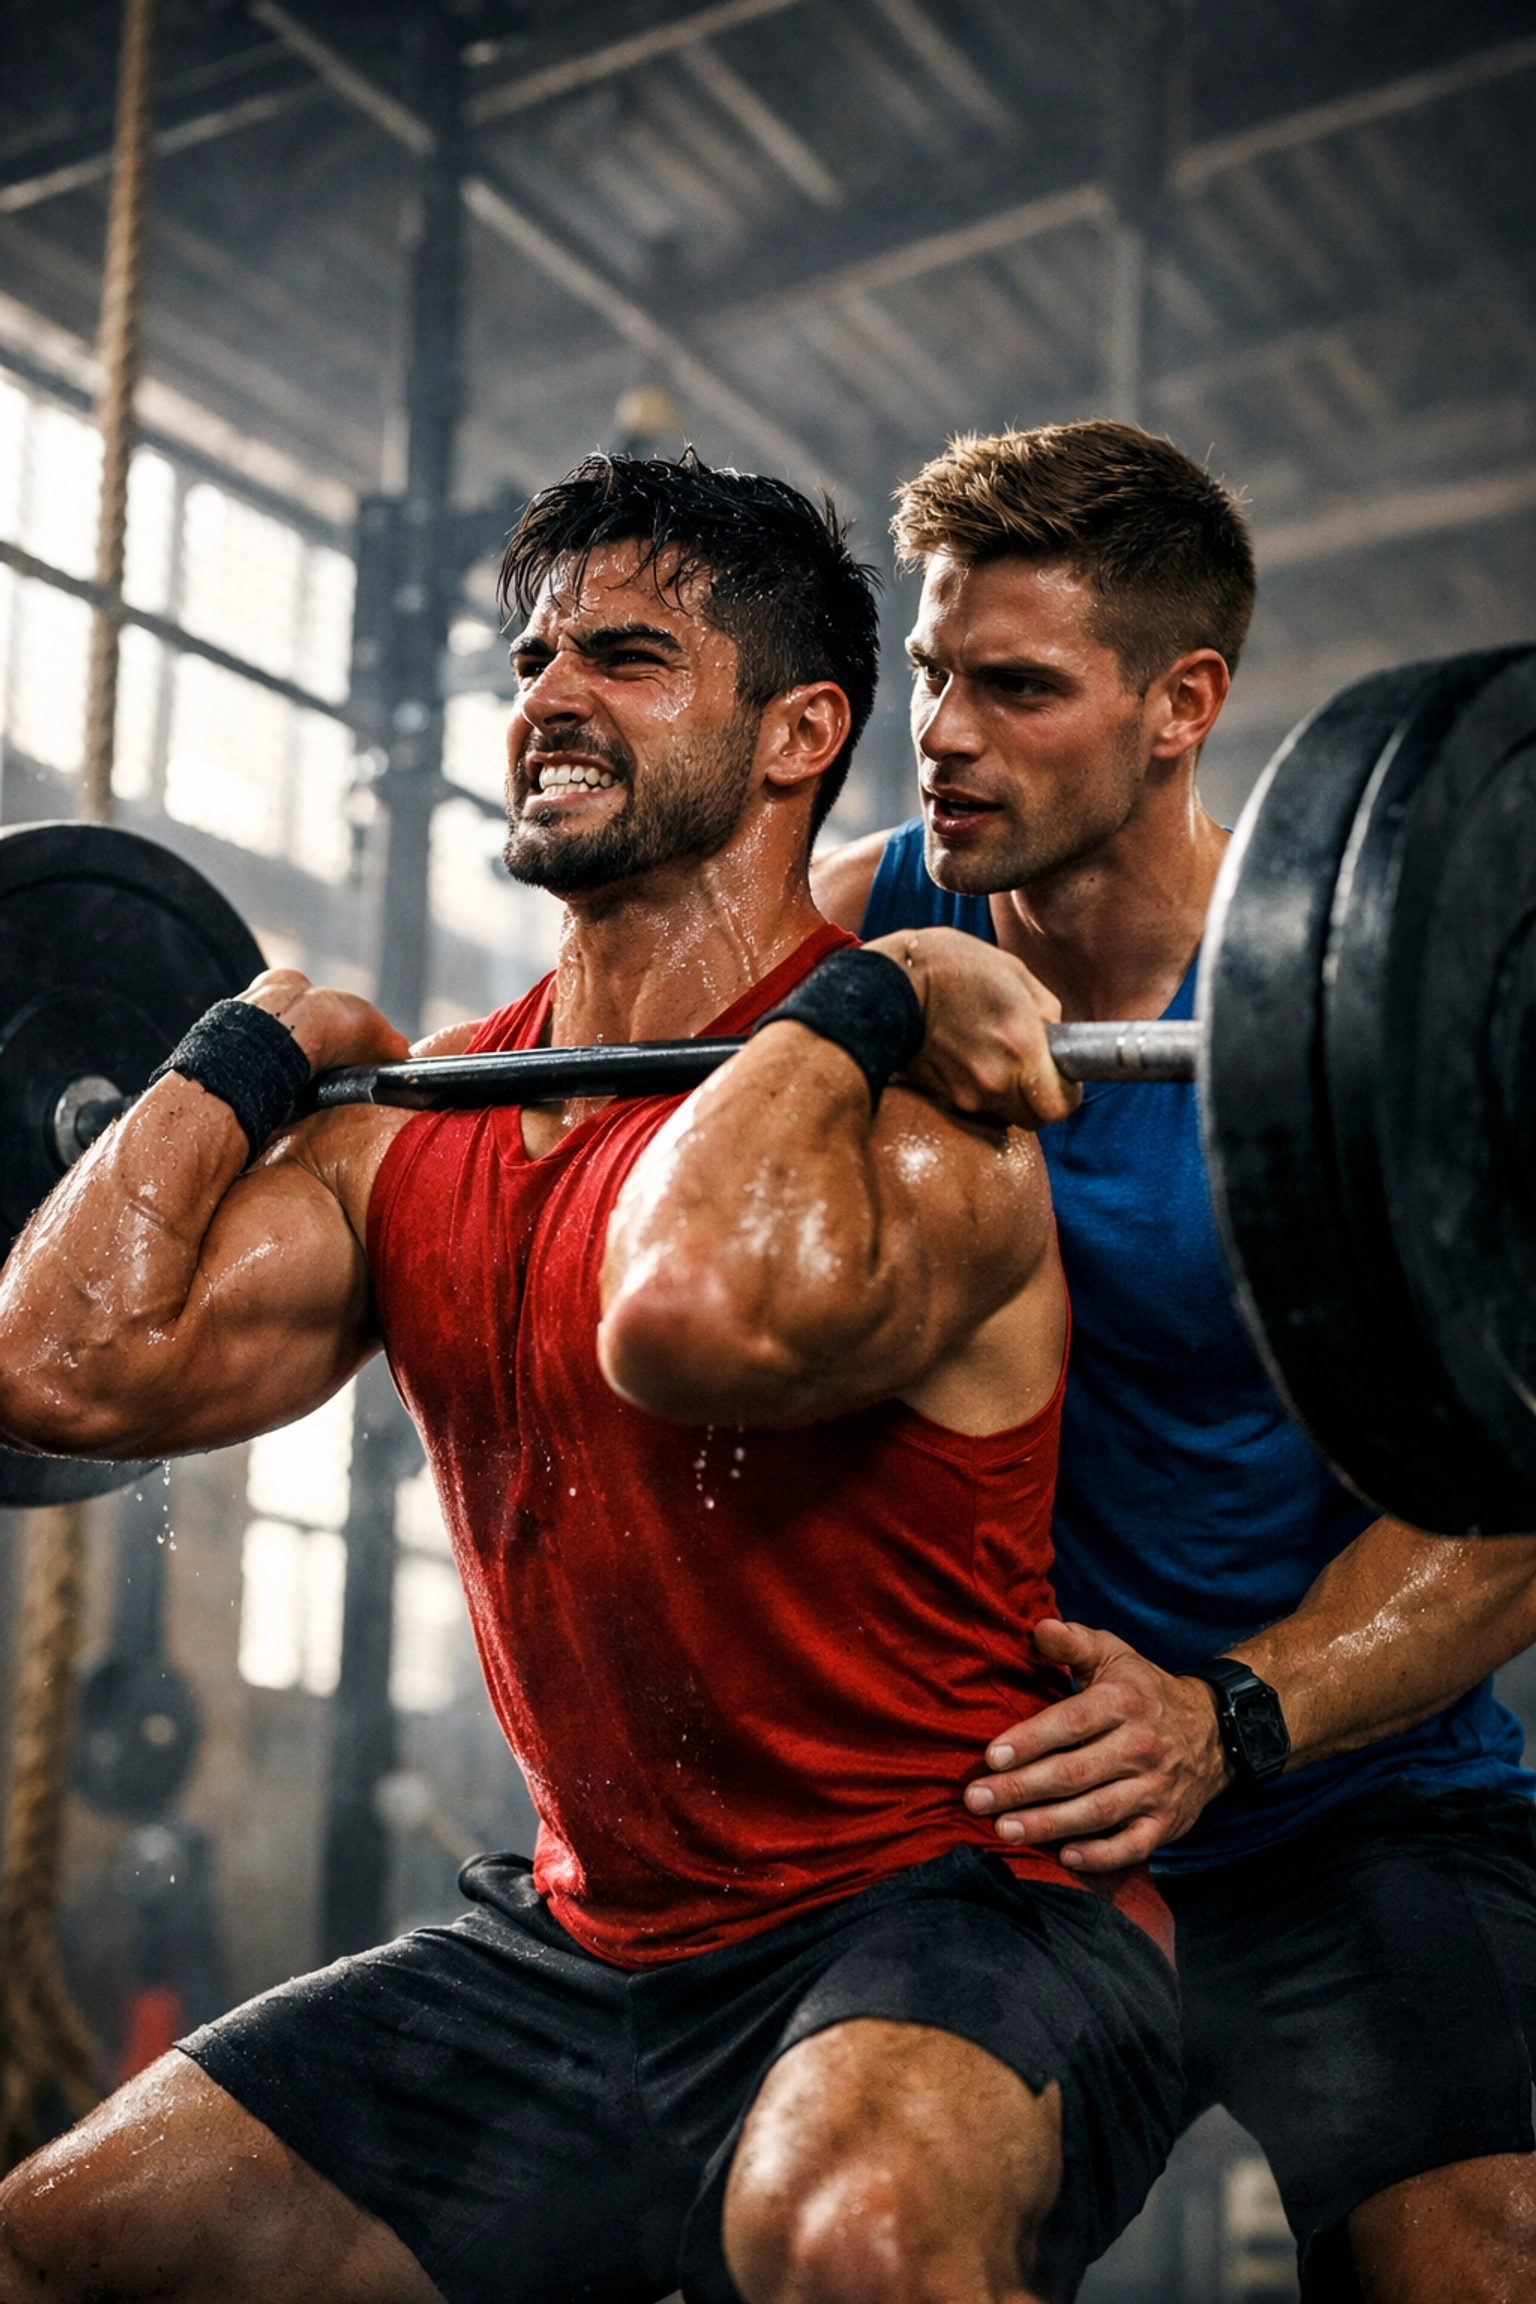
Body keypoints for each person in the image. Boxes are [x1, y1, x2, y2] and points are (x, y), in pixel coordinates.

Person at [0, 453, 1181, 2304]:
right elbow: (52, 1368)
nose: (547, 695)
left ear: (800, 736)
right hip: (587, 1948)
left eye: (627, 657)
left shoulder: (933, 1137)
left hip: (952, 1920)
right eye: (535, 656)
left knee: (856, 2235)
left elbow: (686, 1306)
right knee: (62, 2246)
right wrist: (240, 1047)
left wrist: (860, 998)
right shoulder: (418, 1132)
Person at [813, 417, 1536, 2304]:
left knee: (1479, 2263)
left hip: (1347, 1790)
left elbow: (1515, 1512)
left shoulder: (1381, 1004)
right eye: (929, 675)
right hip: (1006, 1809)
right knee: (856, 2241)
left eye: (1020, 686)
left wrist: (1227, 1719)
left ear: (1179, 703)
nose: (944, 734)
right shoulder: (863, 933)